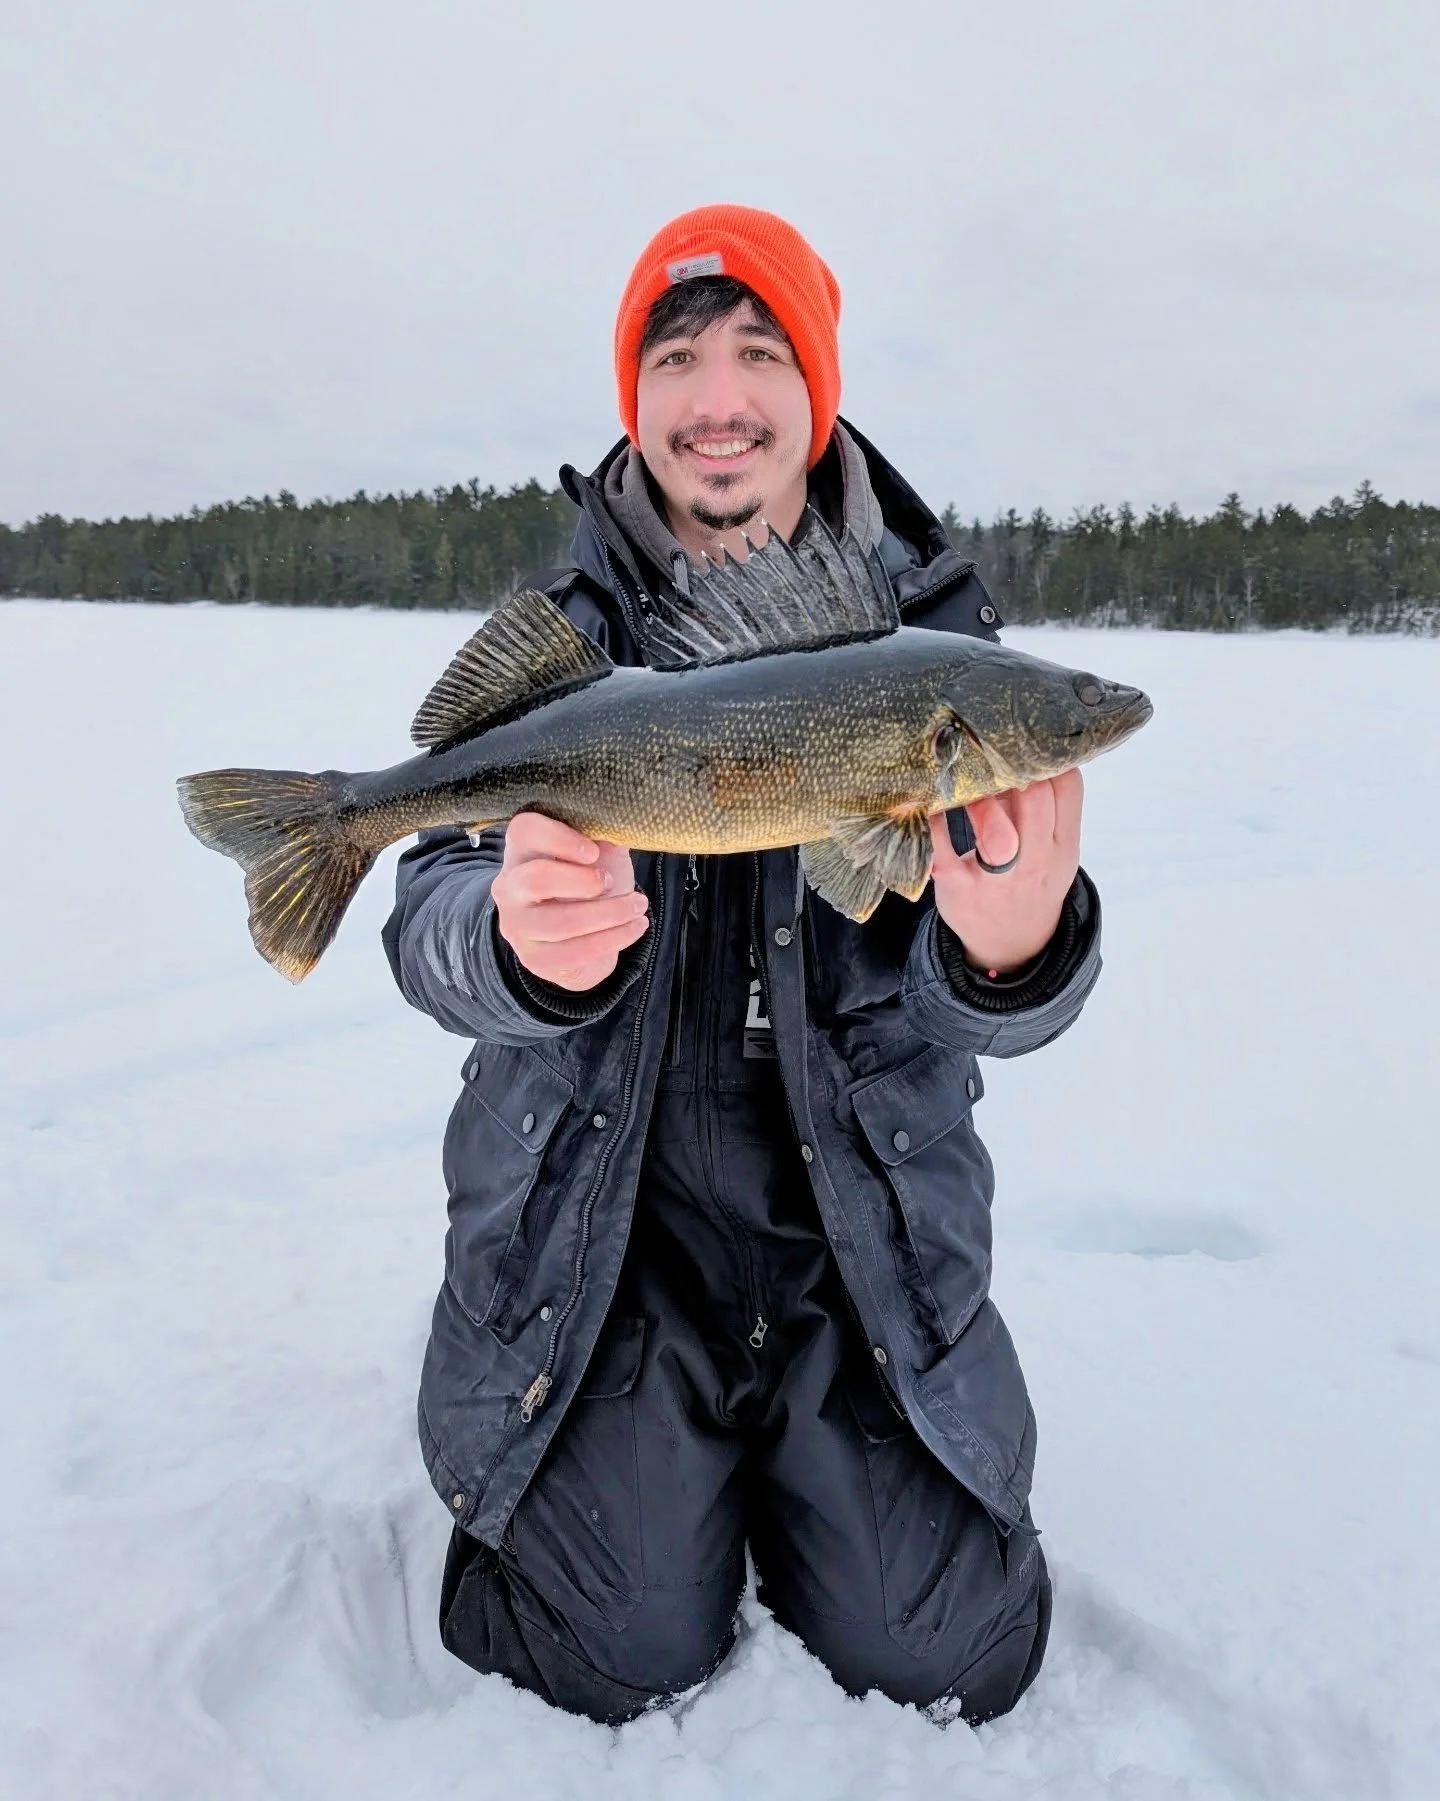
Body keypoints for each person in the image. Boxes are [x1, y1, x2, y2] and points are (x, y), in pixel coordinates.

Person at [383, 205, 1100, 1727]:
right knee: (604, 1644)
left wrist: (1015, 950)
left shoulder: (933, 652)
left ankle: (806, 1467)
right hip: (609, 1249)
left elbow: (994, 988)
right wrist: (512, 949)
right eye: (679, 356)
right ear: (635, 400)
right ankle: (637, 1468)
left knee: (950, 1650)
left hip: (858, 1248)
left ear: (819, 386)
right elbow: (427, 910)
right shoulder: (567, 650)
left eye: (760, 352)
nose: (719, 399)